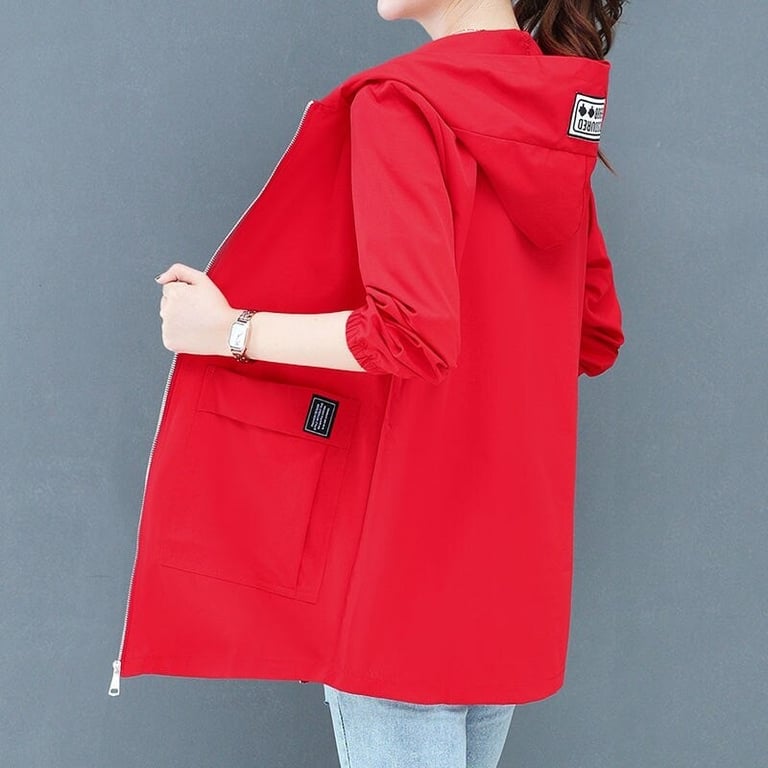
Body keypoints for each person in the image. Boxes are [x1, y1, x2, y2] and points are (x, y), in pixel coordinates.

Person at [137, 1, 627, 765]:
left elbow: (411, 333)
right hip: (510, 584)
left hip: (403, 577)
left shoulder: (404, 102)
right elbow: (593, 336)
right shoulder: (553, 113)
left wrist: (229, 331)